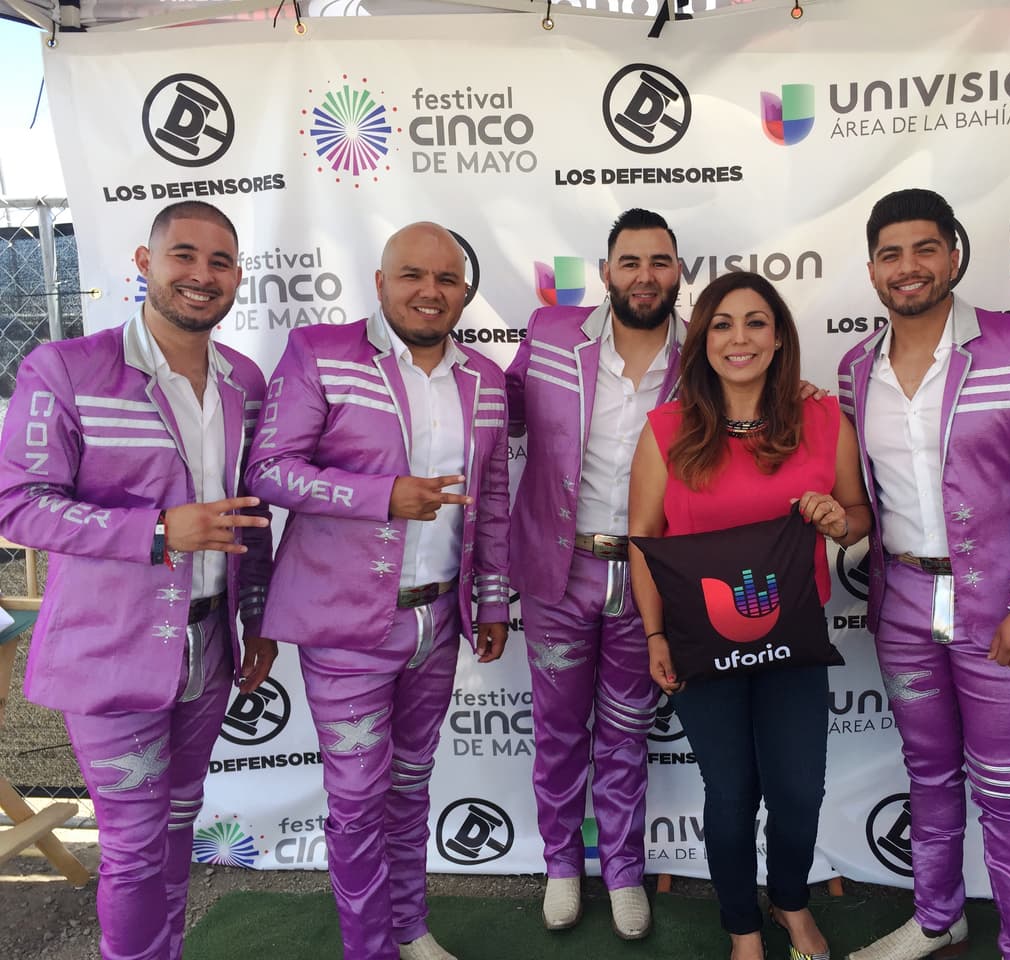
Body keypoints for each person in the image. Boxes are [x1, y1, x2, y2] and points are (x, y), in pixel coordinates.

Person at [0, 200, 275, 960]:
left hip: (210, 644)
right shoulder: (65, 368)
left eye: (220, 262)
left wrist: (258, 619)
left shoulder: (244, 380)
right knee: (131, 845)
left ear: (237, 277)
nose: (202, 275)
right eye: (184, 255)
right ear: (145, 263)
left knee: (179, 825)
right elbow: (19, 505)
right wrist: (156, 532)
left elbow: (250, 514)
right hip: (109, 649)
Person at [245, 222, 511, 960]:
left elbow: (491, 496)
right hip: (344, 625)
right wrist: (382, 495)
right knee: (358, 799)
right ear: (380, 282)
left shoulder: (486, 379)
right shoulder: (321, 353)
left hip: (439, 619)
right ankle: (369, 947)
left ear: (464, 291)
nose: (430, 291)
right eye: (412, 275)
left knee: (412, 784)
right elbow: (269, 469)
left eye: (447, 279)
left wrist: (492, 598)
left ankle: (410, 927)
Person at [838, 189, 1010, 960]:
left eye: (924, 248)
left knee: (1006, 788)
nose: (907, 267)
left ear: (953, 256)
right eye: (890, 254)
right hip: (904, 603)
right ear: (873, 270)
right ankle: (937, 917)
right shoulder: (855, 368)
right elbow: (862, 498)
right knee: (928, 772)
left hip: (1002, 602)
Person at [629, 271, 872, 960]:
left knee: (797, 790)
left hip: (793, 641)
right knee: (731, 793)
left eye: (756, 322)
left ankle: (790, 902)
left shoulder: (822, 419)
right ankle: (742, 926)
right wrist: (654, 632)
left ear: (779, 337)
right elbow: (644, 539)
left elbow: (858, 514)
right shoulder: (667, 429)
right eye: (723, 323)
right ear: (702, 340)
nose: (740, 338)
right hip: (699, 645)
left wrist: (838, 521)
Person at [505, 208, 684, 938]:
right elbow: (501, 413)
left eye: (660, 262)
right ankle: (559, 864)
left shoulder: (702, 356)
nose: (645, 275)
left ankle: (624, 872)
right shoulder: (552, 334)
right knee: (557, 729)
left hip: (649, 577)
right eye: (630, 262)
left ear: (679, 272)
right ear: (606, 272)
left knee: (626, 731)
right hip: (559, 569)